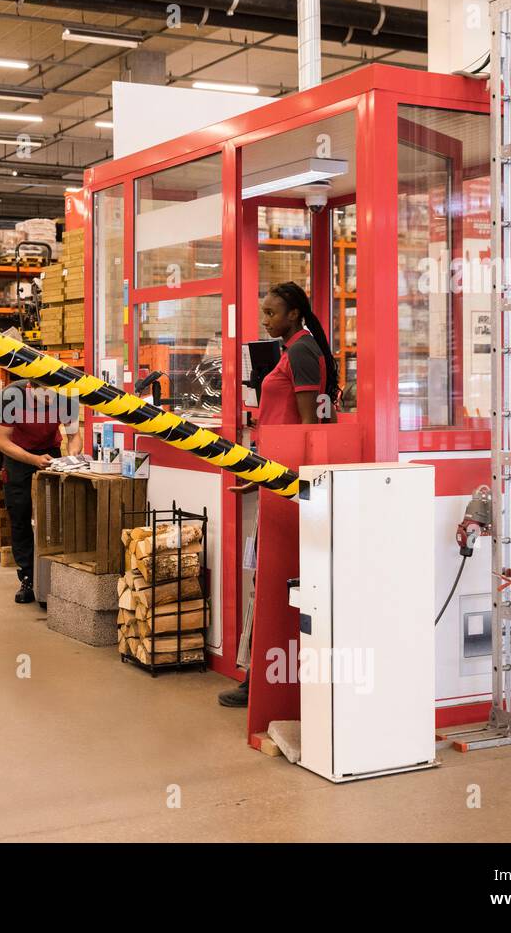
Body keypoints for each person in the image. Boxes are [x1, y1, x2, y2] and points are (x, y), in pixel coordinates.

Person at [219, 282, 339, 708]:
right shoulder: (292, 351)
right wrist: (259, 474)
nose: (265, 320)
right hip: (275, 476)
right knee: (263, 575)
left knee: (269, 577)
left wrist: (287, 481)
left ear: (293, 314)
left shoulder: (303, 351)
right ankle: (258, 679)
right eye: (264, 312)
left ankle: (261, 683)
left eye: (271, 313)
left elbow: (306, 429)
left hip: (289, 483)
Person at [0, 379, 82, 603]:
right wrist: (33, 460)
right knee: (20, 511)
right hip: (18, 453)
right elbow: (3, 442)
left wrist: (71, 458)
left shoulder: (65, 394)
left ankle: (54, 571)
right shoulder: (10, 395)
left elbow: (74, 436)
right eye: (44, 398)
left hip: (49, 450)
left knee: (55, 511)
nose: (48, 402)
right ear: (31, 389)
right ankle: (27, 578)